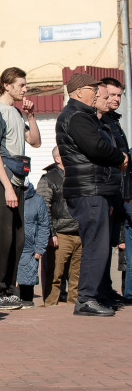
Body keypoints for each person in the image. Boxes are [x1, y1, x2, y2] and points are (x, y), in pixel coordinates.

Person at [54, 71, 128, 316]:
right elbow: (96, 147)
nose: (97, 92)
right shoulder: (76, 116)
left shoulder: (85, 116)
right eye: (92, 88)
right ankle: (86, 299)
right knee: (95, 244)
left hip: (95, 187)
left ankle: (95, 295)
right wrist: (119, 157)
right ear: (78, 92)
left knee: (99, 244)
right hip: (89, 189)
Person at [0, 67, 41, 308]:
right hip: (1, 182)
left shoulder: (16, 113)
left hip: (18, 181)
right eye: (21, 85)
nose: (25, 89)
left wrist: (30, 116)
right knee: (0, 238)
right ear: (7, 85)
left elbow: (35, 142)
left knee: (17, 238)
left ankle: (8, 289)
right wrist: (7, 186)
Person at [97, 78, 130, 305]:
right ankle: (100, 290)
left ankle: (107, 289)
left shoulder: (114, 121)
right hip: (106, 189)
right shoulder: (99, 121)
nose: (115, 99)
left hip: (119, 190)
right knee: (101, 243)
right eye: (111, 95)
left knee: (111, 242)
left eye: (119, 95)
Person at [37, 148, 81, 306]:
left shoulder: (78, 175)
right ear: (58, 158)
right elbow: (43, 208)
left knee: (77, 276)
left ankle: (74, 306)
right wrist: (50, 234)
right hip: (60, 233)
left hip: (80, 231)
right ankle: (50, 305)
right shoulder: (48, 178)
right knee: (55, 274)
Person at [17, 180, 50, 305]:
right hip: (12, 249)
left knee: (27, 285)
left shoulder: (38, 200)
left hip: (29, 250)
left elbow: (44, 225)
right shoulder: (9, 196)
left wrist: (40, 248)